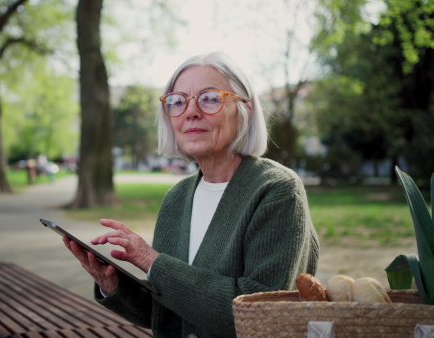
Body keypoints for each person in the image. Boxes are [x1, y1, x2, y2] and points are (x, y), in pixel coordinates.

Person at [64, 51, 320, 337]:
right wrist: (111, 284)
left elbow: (261, 315)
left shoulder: (277, 189)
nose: (191, 111)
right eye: (178, 101)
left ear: (244, 111)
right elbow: (168, 312)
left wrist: (151, 261)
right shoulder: (176, 197)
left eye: (210, 98)